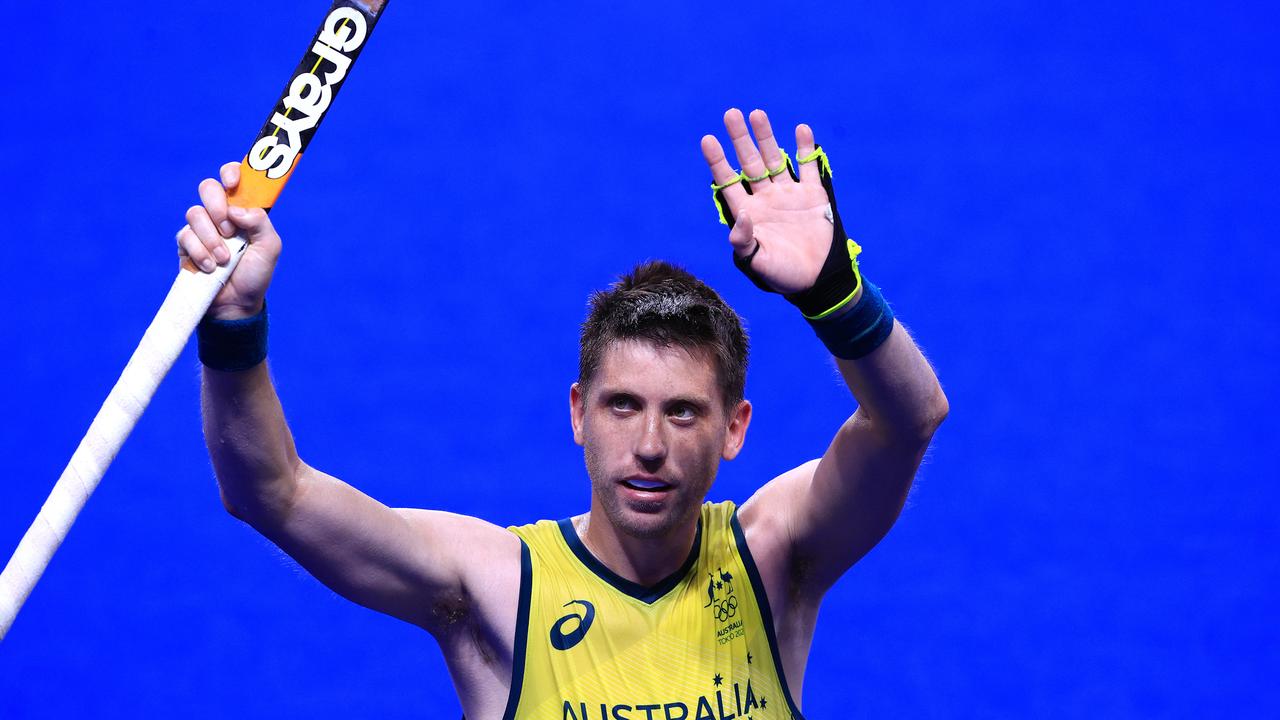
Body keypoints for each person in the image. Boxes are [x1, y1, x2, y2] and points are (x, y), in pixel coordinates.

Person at [176, 108, 948, 719]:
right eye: (622, 406)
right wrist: (235, 324)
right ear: (578, 413)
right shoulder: (492, 587)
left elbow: (907, 420)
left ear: (735, 428)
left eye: (683, 413)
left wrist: (834, 296)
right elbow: (270, 492)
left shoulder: (775, 557)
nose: (649, 445)